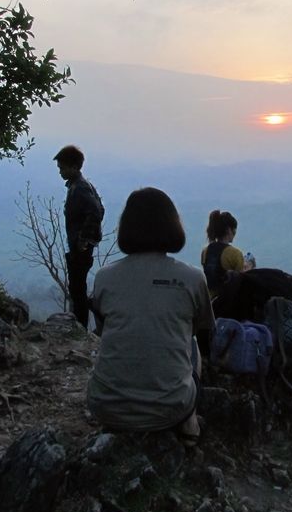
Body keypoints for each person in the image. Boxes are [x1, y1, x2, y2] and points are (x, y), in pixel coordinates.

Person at [86, 188, 214, 442]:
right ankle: (189, 424)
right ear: (172, 226)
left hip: (104, 406)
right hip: (171, 408)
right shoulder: (192, 278)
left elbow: (102, 330)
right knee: (194, 344)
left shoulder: (104, 278)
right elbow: (202, 328)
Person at [54, 144, 104, 330]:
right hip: (79, 245)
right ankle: (83, 321)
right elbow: (100, 209)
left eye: (62, 167)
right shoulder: (79, 186)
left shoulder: (81, 188)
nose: (60, 171)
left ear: (74, 167)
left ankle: (81, 326)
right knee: (77, 289)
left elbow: (96, 211)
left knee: (77, 290)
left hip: (80, 248)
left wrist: (83, 240)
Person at [201, 209, 249, 297]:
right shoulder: (235, 253)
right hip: (227, 303)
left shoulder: (205, 251)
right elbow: (240, 283)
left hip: (209, 301)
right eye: (234, 230)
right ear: (229, 230)